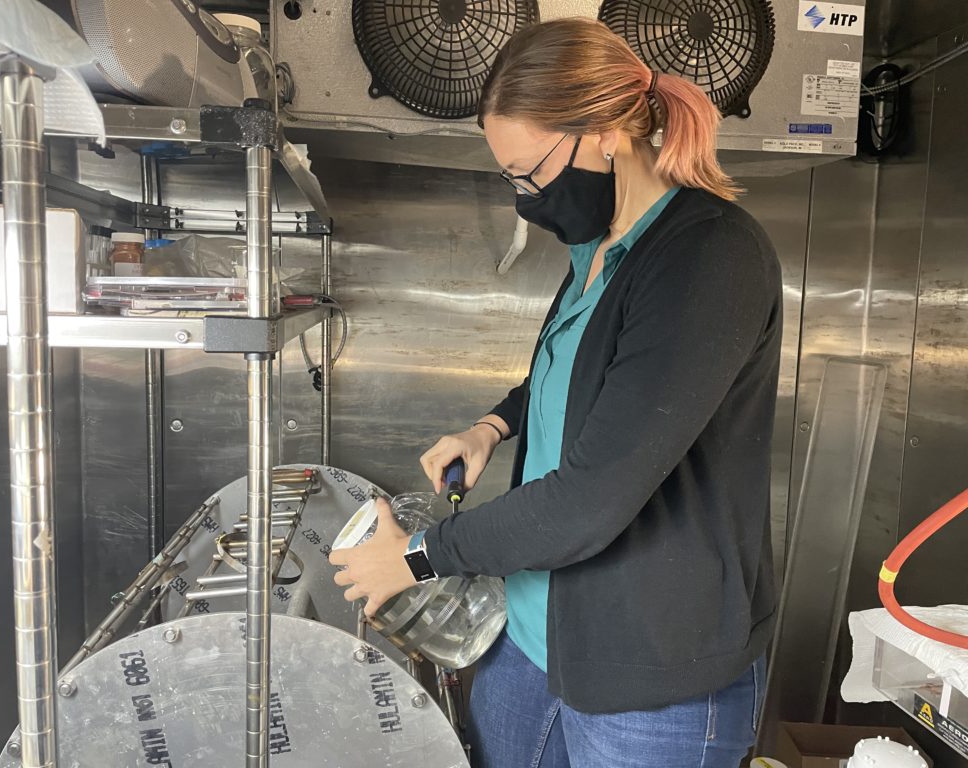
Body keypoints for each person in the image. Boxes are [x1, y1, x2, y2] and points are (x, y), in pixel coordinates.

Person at [329, 17, 782, 768]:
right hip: (535, 637)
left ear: (606, 132)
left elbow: (591, 499)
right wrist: (491, 428)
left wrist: (414, 558)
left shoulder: (708, 255)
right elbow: (579, 377)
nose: (524, 196)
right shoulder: (597, 248)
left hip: (650, 668)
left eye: (528, 171)